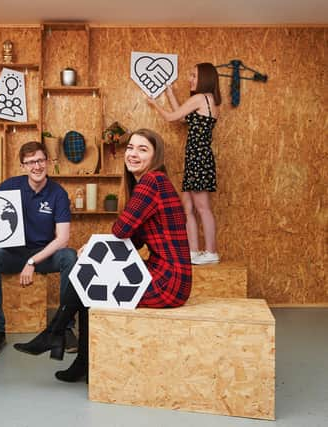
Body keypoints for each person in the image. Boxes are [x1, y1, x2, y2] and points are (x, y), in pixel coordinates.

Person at [14, 129, 192, 383]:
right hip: (166, 274)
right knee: (88, 277)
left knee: (90, 282)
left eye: (143, 149)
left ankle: (58, 337)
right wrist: (95, 249)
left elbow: (121, 230)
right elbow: (136, 239)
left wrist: (93, 248)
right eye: (130, 147)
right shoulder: (153, 183)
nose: (133, 153)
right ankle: (72, 352)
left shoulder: (152, 183)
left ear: (156, 156)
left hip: (168, 281)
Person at [0, 141, 78, 358]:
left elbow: (62, 239)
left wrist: (32, 262)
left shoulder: (58, 194)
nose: (36, 166)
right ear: (23, 166)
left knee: (70, 256)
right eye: (30, 162)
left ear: (47, 161)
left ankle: (64, 328)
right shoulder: (10, 186)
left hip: (43, 255)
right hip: (13, 254)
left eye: (39, 160)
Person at [147, 62, 221, 265]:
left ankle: (211, 252)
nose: (190, 79)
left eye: (194, 76)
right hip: (196, 159)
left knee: (203, 208)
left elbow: (172, 117)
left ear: (205, 78)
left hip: (198, 159)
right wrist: (170, 92)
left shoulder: (200, 98)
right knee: (187, 206)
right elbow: (181, 119)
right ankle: (194, 251)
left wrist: (154, 104)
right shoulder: (208, 100)